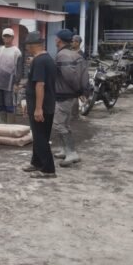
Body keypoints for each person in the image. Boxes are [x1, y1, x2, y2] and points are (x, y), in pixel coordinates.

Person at [20, 31, 57, 179]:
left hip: (42, 106)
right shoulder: (46, 59)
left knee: (40, 137)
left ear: (32, 45)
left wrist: (38, 108)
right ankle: (36, 162)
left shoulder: (39, 61)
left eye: (27, 45)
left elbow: (40, 85)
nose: (26, 48)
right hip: (47, 103)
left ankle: (48, 169)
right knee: (39, 136)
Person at [53, 29, 86, 167]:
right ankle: (65, 150)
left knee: (59, 124)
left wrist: (78, 91)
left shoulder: (63, 55)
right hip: (69, 94)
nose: (55, 40)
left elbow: (69, 76)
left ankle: (71, 152)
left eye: (56, 38)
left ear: (59, 40)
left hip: (64, 94)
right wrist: (81, 91)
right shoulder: (73, 54)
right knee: (65, 124)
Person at [0, 28, 22, 124]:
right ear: (2, 37)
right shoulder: (0, 50)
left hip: (10, 84)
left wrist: (17, 83)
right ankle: (3, 125)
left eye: (9, 36)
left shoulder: (16, 51)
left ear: (13, 37)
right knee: (0, 105)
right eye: (5, 36)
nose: (7, 38)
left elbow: (19, 68)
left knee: (10, 105)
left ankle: (10, 127)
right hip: (0, 84)